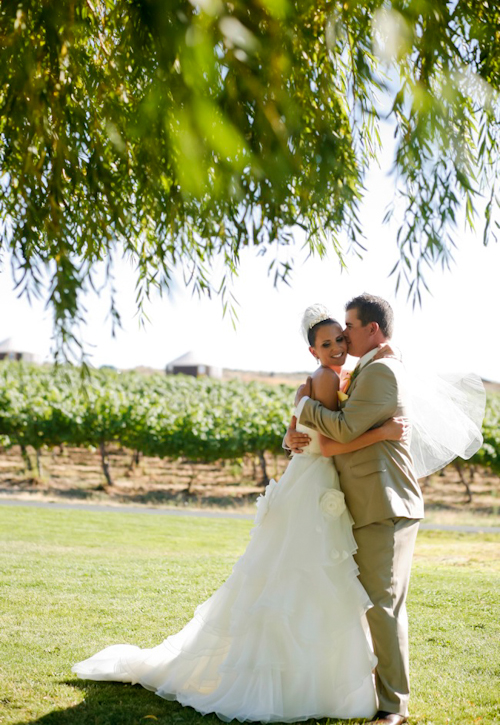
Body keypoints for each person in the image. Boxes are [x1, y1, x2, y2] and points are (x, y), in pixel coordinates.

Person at [72, 307, 409, 723]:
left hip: (323, 486)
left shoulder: (343, 376)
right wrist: (375, 429)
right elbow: (331, 440)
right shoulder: (324, 379)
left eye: (342, 336)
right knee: (310, 576)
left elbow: (307, 433)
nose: (340, 345)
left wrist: (295, 421)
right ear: (312, 349)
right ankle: (321, 682)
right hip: (318, 481)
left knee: (308, 576)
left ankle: (337, 682)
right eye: (329, 342)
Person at [286, 294, 424, 725]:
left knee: (382, 606)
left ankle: (393, 707)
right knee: (370, 603)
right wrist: (294, 431)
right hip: (363, 501)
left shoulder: (382, 371)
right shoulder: (363, 367)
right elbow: (327, 437)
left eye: (349, 325)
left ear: (373, 330)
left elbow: (341, 431)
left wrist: (302, 405)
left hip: (382, 502)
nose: (343, 334)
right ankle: (370, 691)